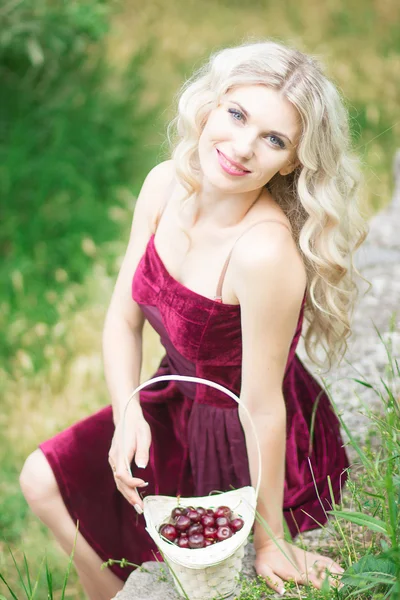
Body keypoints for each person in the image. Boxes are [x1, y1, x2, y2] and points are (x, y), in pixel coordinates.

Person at [19, 40, 367, 599]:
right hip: (175, 399)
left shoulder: (263, 253)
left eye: (273, 139)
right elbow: (121, 320)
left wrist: (270, 538)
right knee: (40, 480)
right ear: (210, 104)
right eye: (236, 115)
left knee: (180, 564)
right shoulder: (164, 184)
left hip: (241, 435)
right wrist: (127, 410)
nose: (243, 147)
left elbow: (261, 404)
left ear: (294, 160)